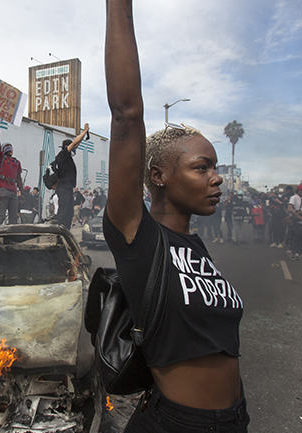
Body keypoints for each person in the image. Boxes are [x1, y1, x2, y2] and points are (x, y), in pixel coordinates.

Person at [104, 2, 248, 431]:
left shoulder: (196, 247)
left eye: (216, 167)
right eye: (202, 167)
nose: (216, 179)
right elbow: (127, 113)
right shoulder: (140, 238)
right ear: (159, 175)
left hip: (235, 419)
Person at [53, 124, 90, 228]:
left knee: (69, 214)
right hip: (63, 188)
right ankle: (59, 235)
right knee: (63, 214)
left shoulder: (67, 157)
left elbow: (76, 144)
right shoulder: (62, 155)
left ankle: (65, 233)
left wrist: (85, 133)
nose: (75, 149)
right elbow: (74, 143)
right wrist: (84, 131)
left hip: (68, 189)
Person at [0, 120, 25, 225]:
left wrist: (22, 193)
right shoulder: (0, 158)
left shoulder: (16, 162)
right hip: (2, 188)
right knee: (1, 215)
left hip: (12, 190)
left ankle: (10, 239)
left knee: (13, 217)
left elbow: (19, 178)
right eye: (7, 147)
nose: (10, 149)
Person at [286, 185, 302, 261]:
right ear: (299, 191)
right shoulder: (294, 197)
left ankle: (295, 252)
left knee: (301, 238)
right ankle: (294, 252)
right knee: (299, 237)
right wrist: (297, 216)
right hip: (296, 221)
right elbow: (290, 209)